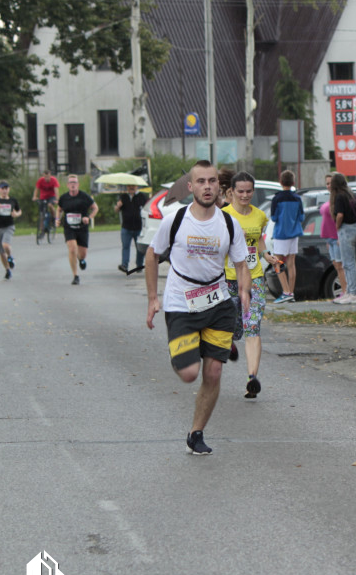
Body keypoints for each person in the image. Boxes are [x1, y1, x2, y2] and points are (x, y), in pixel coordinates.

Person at [145, 160, 250, 456]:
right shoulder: (175, 221)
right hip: (181, 303)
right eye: (201, 181)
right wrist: (154, 298)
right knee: (190, 373)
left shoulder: (229, 223)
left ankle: (196, 433)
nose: (207, 186)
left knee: (214, 372)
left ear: (219, 187)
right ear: (191, 187)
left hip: (217, 303)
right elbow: (152, 256)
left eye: (212, 181)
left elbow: (242, 263)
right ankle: (186, 351)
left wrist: (243, 288)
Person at [224, 172, 280, 399]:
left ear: (253, 191)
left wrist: (267, 255)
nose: (245, 195)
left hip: (254, 278)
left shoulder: (259, 215)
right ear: (233, 192)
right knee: (231, 327)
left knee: (252, 327)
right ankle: (228, 344)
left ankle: (252, 379)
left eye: (249, 191)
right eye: (241, 191)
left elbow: (258, 240)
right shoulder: (223, 216)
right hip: (228, 280)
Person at [54, 175, 98, 285]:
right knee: (72, 249)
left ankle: (81, 259)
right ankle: (75, 275)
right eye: (71, 182)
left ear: (78, 184)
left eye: (75, 182)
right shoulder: (64, 198)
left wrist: (89, 217)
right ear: (68, 185)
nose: (73, 184)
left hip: (82, 228)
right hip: (69, 228)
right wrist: (57, 219)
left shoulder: (84, 197)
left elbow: (95, 208)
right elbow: (59, 209)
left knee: (82, 254)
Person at [270, 170, 304, 303]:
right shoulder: (298, 198)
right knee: (291, 264)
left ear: (281, 182)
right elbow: (301, 216)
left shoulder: (277, 198)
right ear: (293, 182)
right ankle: (291, 292)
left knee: (277, 262)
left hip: (281, 234)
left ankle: (286, 291)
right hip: (294, 233)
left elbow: (273, 217)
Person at [330, 173, 356, 304]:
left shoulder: (339, 196)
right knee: (351, 262)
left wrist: (338, 227)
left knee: (348, 263)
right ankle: (350, 292)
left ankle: (353, 294)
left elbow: (339, 215)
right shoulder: (352, 194)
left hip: (347, 229)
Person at [0, 181, 22, 280]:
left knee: (5, 245)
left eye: (6, 188)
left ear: (9, 189)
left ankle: (10, 257)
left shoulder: (13, 200)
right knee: (1, 252)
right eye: (3, 188)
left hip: (9, 227)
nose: (4, 190)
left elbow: (19, 211)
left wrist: (16, 214)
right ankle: (7, 270)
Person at [320, 173, 346, 298]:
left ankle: (346, 291)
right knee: (336, 266)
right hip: (330, 238)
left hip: (337, 238)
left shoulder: (338, 198)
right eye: (327, 183)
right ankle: (344, 291)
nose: (329, 185)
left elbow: (340, 217)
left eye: (331, 183)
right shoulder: (330, 198)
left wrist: (338, 234)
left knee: (340, 266)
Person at [115, 184, 148, 273]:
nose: (131, 188)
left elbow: (147, 208)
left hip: (138, 227)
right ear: (127, 187)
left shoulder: (142, 196)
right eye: (129, 186)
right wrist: (118, 206)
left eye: (133, 186)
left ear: (137, 186)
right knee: (125, 246)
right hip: (126, 227)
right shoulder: (124, 197)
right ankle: (124, 265)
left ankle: (139, 265)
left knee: (139, 248)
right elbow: (116, 210)